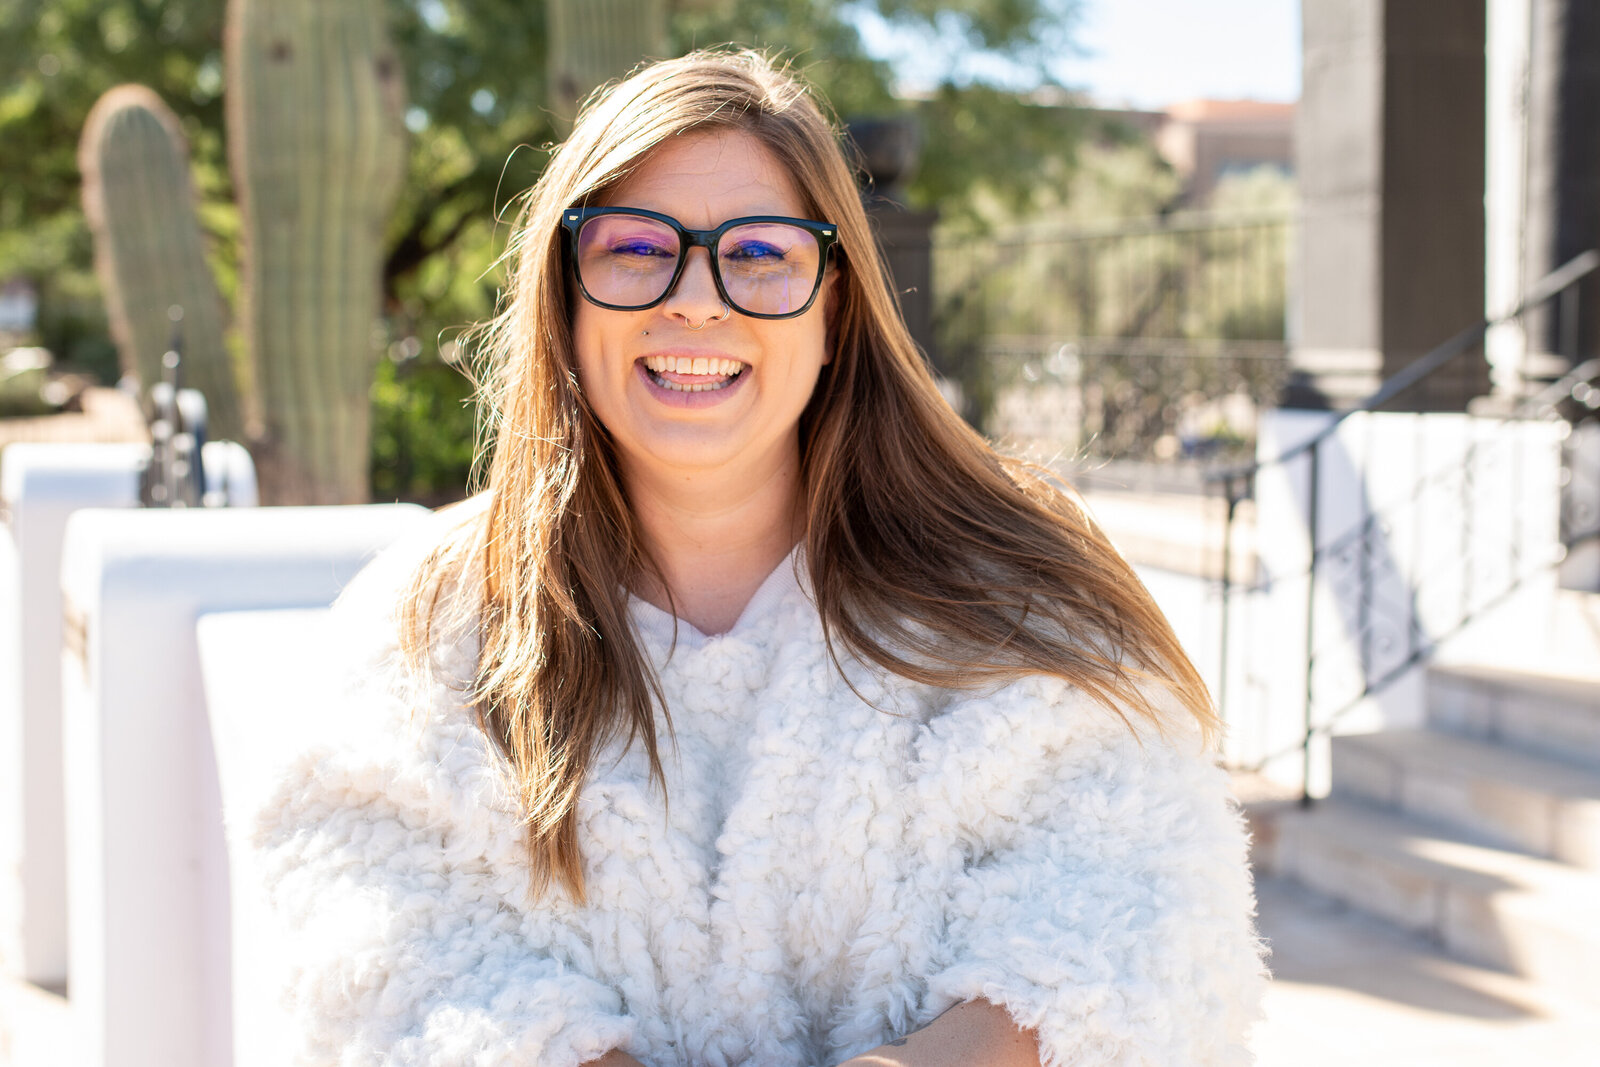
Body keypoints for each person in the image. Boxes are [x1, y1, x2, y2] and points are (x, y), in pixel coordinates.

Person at [254, 48, 1265, 1067]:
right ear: (564, 297)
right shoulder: (425, 627)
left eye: (761, 254)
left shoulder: (1018, 603)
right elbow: (385, 945)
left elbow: (1131, 917)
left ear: (836, 308)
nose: (695, 299)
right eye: (637, 248)